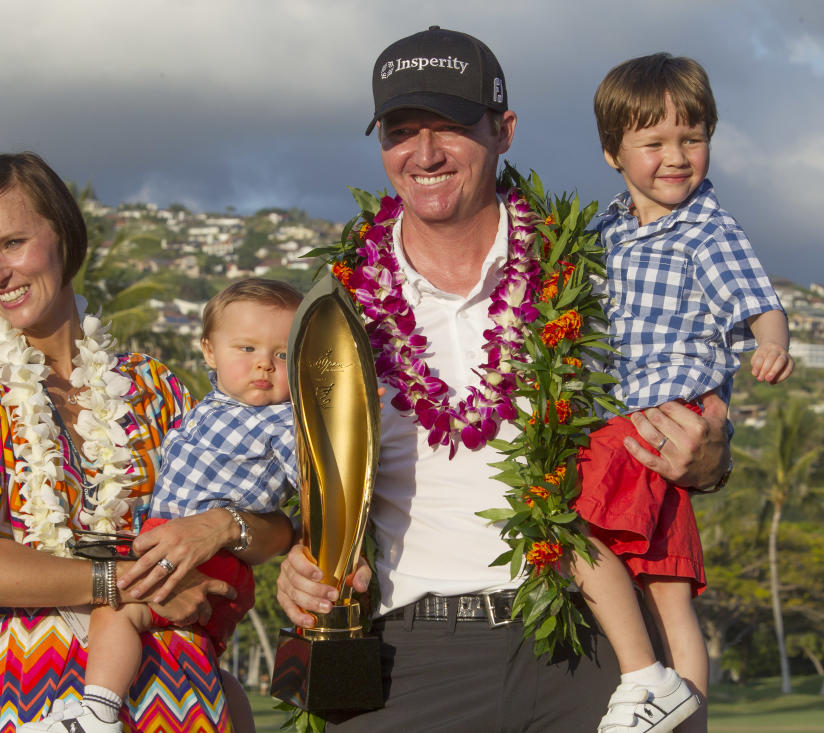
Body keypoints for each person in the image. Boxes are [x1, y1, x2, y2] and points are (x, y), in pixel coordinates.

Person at [276, 27, 733, 732]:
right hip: (406, 658)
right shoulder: (335, 307)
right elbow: (317, 479)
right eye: (401, 131)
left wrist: (712, 449)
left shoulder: (588, 267)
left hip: (584, 642)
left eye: (450, 128)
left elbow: (688, 363)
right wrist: (300, 561)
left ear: (504, 130)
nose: (423, 154)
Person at [0, 152, 293, 732]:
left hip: (183, 692)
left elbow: (274, 529)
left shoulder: (153, 385)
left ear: (62, 235)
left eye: (12, 243)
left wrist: (221, 527)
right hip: (50, 696)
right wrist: (125, 585)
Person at [568, 53, 792, 733]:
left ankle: (642, 675)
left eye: (692, 139)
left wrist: (772, 341)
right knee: (670, 590)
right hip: (636, 421)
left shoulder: (705, 228)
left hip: (654, 418)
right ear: (613, 152)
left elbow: (757, 300)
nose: (677, 157)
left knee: (567, 526)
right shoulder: (602, 232)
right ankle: (684, 713)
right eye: (655, 142)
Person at [21, 278, 302, 733]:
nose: (264, 366)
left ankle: (95, 714)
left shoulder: (284, 421)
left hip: (213, 558)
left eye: (283, 354)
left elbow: (312, 491)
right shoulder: (212, 405)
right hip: (181, 547)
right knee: (209, 663)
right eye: (246, 348)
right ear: (210, 352)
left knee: (119, 610)